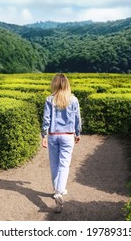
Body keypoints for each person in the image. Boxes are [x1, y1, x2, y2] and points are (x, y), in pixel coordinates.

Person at [41, 73, 81, 213]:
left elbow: (46, 119)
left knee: (54, 164)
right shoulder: (74, 100)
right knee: (64, 164)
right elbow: (77, 118)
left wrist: (44, 135)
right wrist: (78, 132)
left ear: (54, 84)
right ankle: (59, 191)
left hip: (53, 135)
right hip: (67, 135)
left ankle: (57, 190)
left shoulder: (49, 99)